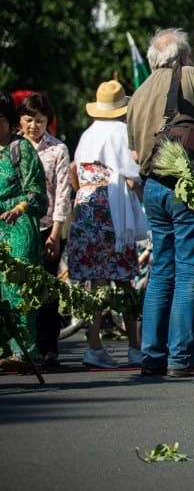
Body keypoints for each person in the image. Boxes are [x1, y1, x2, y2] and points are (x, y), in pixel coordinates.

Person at [126, 28, 194, 378]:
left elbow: (133, 151)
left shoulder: (138, 94)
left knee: (161, 270)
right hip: (185, 184)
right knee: (190, 270)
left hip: (153, 187)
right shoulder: (188, 75)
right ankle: (182, 357)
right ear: (182, 56)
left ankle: (152, 355)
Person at [68, 80, 148, 369]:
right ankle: (134, 346)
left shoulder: (87, 134)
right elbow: (134, 172)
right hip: (111, 209)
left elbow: (74, 170)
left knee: (96, 281)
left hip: (85, 204)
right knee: (124, 279)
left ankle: (94, 344)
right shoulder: (121, 133)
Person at [17, 93, 72, 367]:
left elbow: (63, 192)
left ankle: (49, 347)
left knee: (47, 289)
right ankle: (24, 347)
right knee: (19, 287)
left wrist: (56, 233)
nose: (33, 126)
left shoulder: (57, 149)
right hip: (16, 228)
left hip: (47, 226)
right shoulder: (11, 148)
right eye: (28, 120)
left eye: (39, 121)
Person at [0, 90, 48, 371]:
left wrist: (18, 209)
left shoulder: (22, 149)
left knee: (19, 291)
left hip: (18, 228)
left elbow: (37, 194)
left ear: (7, 121)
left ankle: (24, 353)